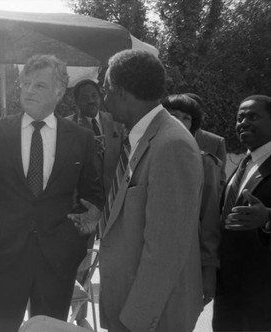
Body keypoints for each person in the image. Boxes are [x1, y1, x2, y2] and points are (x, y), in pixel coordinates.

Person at [0, 54, 103, 332]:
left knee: (48, 329)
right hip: (3, 254)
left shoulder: (80, 137)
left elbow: (93, 193)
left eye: (39, 85)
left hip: (57, 259)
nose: (28, 90)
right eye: (25, 83)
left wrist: (76, 238)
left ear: (59, 91)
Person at [96, 50, 204, 331]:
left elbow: (165, 251)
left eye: (106, 91)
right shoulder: (145, 137)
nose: (104, 100)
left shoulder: (171, 145)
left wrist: (135, 322)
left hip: (150, 318)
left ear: (120, 92)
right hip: (130, 307)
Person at [66, 79, 125, 328]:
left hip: (114, 202)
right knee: (81, 262)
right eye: (85, 97)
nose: (91, 100)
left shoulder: (117, 122)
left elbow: (127, 154)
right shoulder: (67, 126)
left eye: (95, 95)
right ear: (76, 101)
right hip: (83, 207)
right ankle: (79, 316)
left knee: (114, 259)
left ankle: (114, 313)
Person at [213, 95, 271, 331]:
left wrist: (268, 218)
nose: (243, 122)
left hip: (264, 295)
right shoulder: (246, 163)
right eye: (240, 118)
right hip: (229, 289)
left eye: (253, 116)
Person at [162, 93, 222, 306]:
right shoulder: (142, 157)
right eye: (172, 114)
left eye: (185, 117)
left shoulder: (205, 164)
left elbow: (210, 222)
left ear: (193, 126)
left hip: (186, 261)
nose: (178, 120)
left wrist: (208, 270)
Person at [185, 92, 227, 189]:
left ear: (201, 116)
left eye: (188, 116)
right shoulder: (161, 139)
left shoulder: (216, 142)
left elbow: (220, 181)